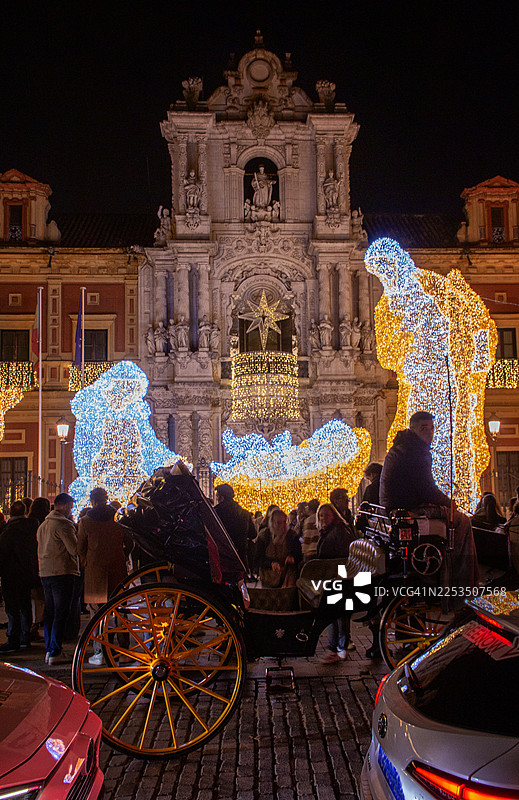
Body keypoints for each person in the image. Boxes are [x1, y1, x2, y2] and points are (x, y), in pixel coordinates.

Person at [380, 410, 479, 596]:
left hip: (396, 507)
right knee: (462, 520)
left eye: (432, 428)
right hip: (408, 509)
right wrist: (449, 504)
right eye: (424, 428)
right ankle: (459, 576)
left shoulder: (401, 447)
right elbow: (427, 489)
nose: (430, 433)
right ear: (413, 428)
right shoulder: (415, 451)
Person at [77, 487, 132, 665]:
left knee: (96, 612)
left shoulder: (85, 521)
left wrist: (87, 561)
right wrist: (122, 555)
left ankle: (100, 651)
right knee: (120, 610)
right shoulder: (117, 518)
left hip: (95, 570)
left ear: (92, 501)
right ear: (106, 499)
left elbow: (80, 547)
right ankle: (123, 649)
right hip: (117, 568)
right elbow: (130, 542)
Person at [37, 492, 79, 665]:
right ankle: (55, 651)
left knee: (50, 612)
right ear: (63, 505)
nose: (71, 509)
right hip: (62, 571)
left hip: (45, 572)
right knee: (61, 613)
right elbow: (74, 549)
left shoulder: (43, 525)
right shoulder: (63, 525)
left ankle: (50, 649)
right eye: (70, 506)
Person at [316, 503, 356, 662]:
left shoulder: (339, 531)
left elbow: (341, 556)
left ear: (334, 516)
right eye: (321, 516)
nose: (323, 518)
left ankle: (338, 648)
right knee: (336, 614)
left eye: (326, 515)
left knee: (337, 614)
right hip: (333, 577)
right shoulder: (330, 531)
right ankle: (338, 647)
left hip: (339, 578)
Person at [0, 500, 39, 653]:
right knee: (25, 605)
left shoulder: (9, 531)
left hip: (11, 573)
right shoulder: (33, 528)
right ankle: (25, 636)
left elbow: (2, 553)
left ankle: (13, 638)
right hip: (27, 572)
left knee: (12, 608)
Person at [214, 483, 256, 574]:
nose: (217, 499)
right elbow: (253, 534)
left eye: (217, 496)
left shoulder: (216, 513)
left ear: (222, 497)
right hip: (240, 557)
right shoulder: (244, 513)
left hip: (223, 558)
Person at [256, 508, 302, 588]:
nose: (282, 526)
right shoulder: (263, 536)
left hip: (287, 578)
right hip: (268, 577)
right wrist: (271, 563)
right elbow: (257, 558)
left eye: (284, 522)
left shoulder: (292, 536)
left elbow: (299, 554)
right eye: (278, 523)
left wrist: (292, 557)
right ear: (272, 523)